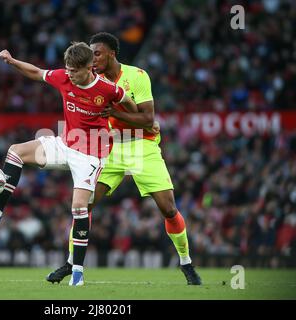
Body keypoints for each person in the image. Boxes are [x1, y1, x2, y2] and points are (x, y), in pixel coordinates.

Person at [0, 42, 139, 286]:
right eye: (67, 69)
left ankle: (77, 271)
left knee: (79, 207)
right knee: (15, 152)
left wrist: (120, 115)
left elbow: (131, 105)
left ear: (89, 67)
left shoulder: (107, 89)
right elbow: (36, 72)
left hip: (90, 155)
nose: (69, 74)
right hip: (64, 144)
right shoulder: (64, 77)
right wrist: (13, 62)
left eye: (74, 71)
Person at [46, 32, 202, 285]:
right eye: (91, 55)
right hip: (107, 147)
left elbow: (148, 120)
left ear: (111, 54)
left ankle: (186, 263)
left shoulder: (137, 76)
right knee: (83, 205)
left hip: (141, 144)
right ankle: (71, 263)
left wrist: (117, 112)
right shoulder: (88, 79)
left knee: (169, 208)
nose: (93, 59)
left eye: (97, 53)